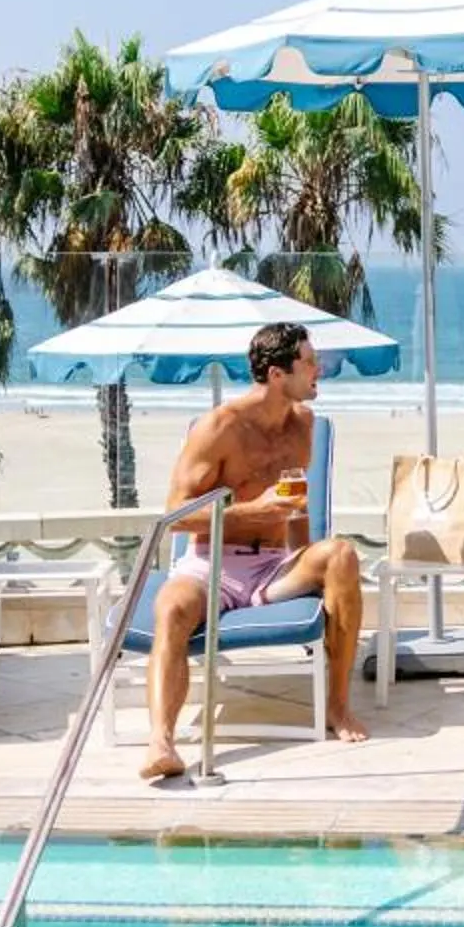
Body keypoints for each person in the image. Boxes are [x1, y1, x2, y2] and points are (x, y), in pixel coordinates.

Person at [143, 320, 367, 779]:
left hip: (274, 566)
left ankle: (338, 706)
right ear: (278, 374)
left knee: (341, 554)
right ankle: (161, 743)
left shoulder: (303, 424)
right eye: (310, 362)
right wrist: (252, 511)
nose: (319, 369)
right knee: (170, 608)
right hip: (212, 564)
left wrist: (310, 570)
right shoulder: (219, 427)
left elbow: (296, 507)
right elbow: (175, 516)